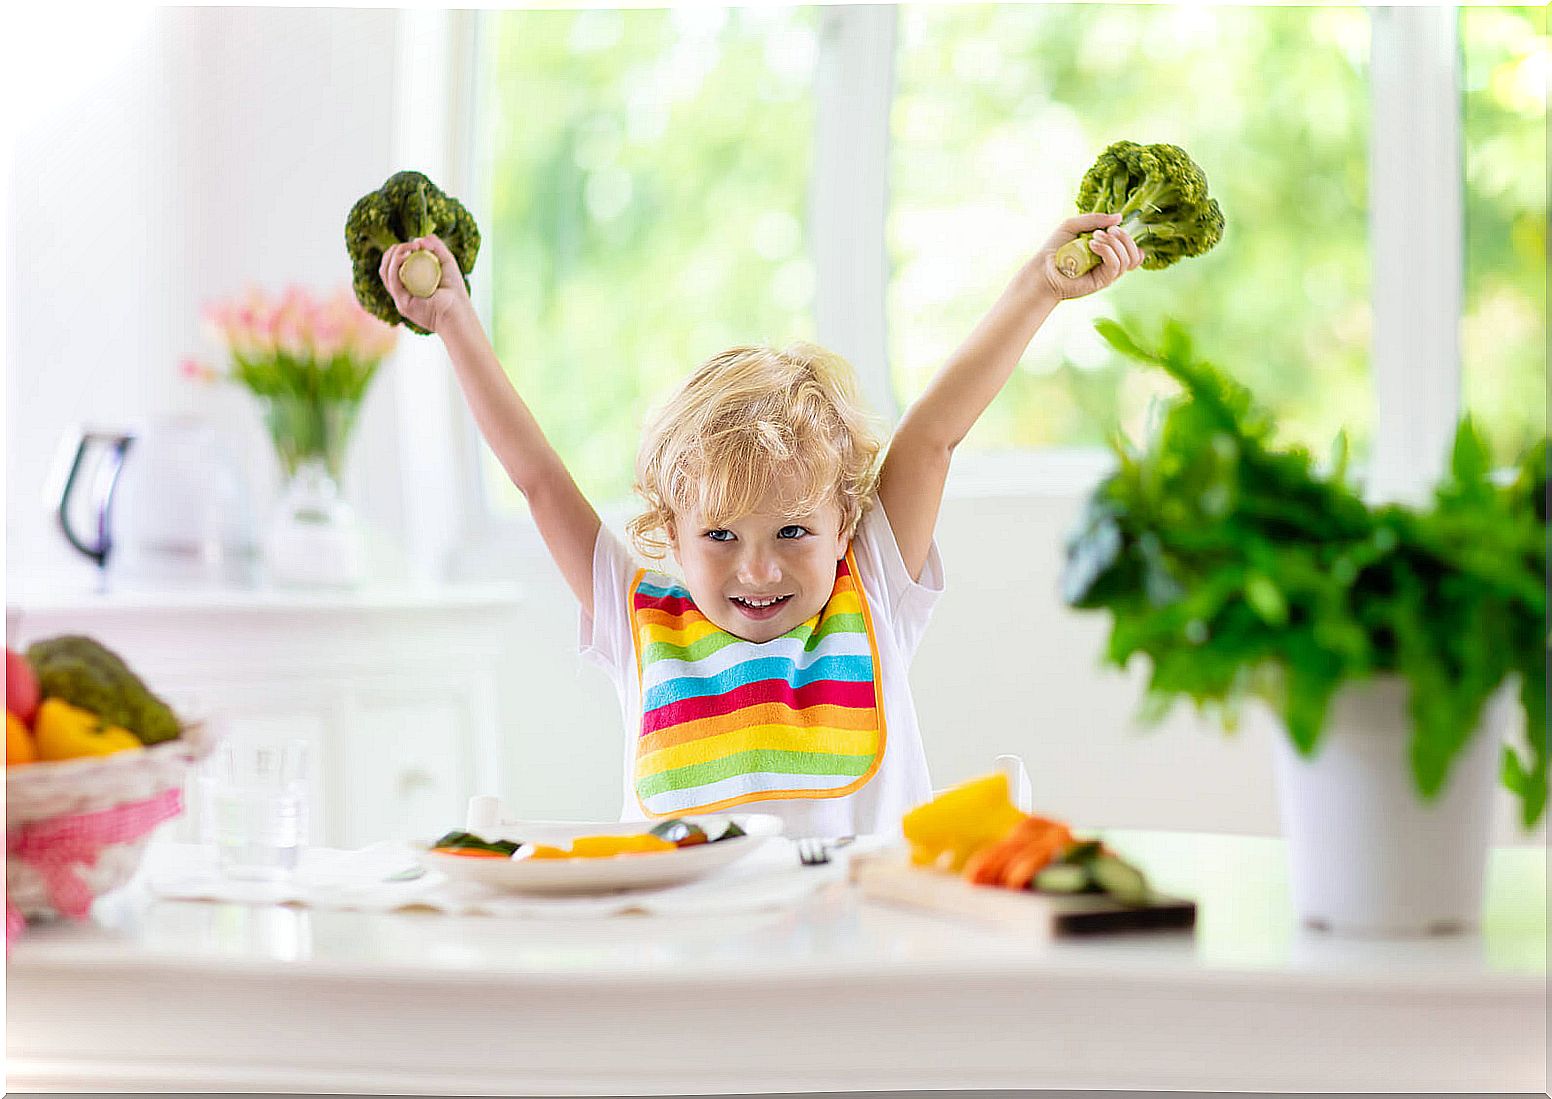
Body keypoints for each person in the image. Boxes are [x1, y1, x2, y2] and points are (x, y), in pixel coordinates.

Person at [378, 212, 1142, 837]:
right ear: (669, 533)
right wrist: (453, 321)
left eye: (792, 533)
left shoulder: (870, 587)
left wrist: (1039, 288)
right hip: (694, 987)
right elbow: (539, 480)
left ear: (845, 523)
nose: (758, 569)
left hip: (866, 972)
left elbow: (934, 435)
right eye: (719, 536)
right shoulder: (637, 617)